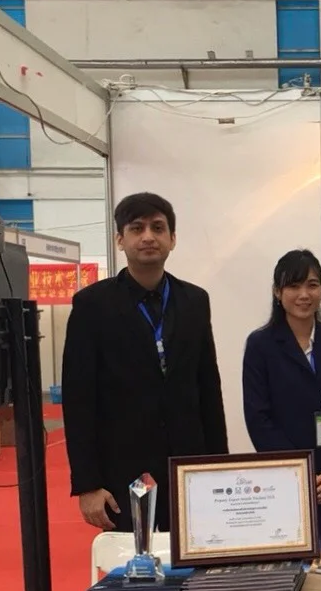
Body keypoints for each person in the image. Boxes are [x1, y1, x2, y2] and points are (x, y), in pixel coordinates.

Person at [62, 192, 228, 532]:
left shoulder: (194, 301)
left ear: (172, 239)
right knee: (133, 559)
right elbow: (79, 400)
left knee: (194, 555)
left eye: (158, 227)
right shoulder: (92, 305)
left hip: (188, 465)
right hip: (123, 468)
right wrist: (88, 484)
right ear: (120, 239)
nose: (148, 236)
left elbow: (208, 389)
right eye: (137, 228)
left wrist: (218, 465)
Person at [242, 249, 321, 553]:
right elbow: (258, 418)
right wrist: (298, 472)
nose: (304, 294)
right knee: (289, 562)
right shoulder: (261, 345)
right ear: (277, 292)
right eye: (294, 286)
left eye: (312, 285)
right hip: (284, 482)